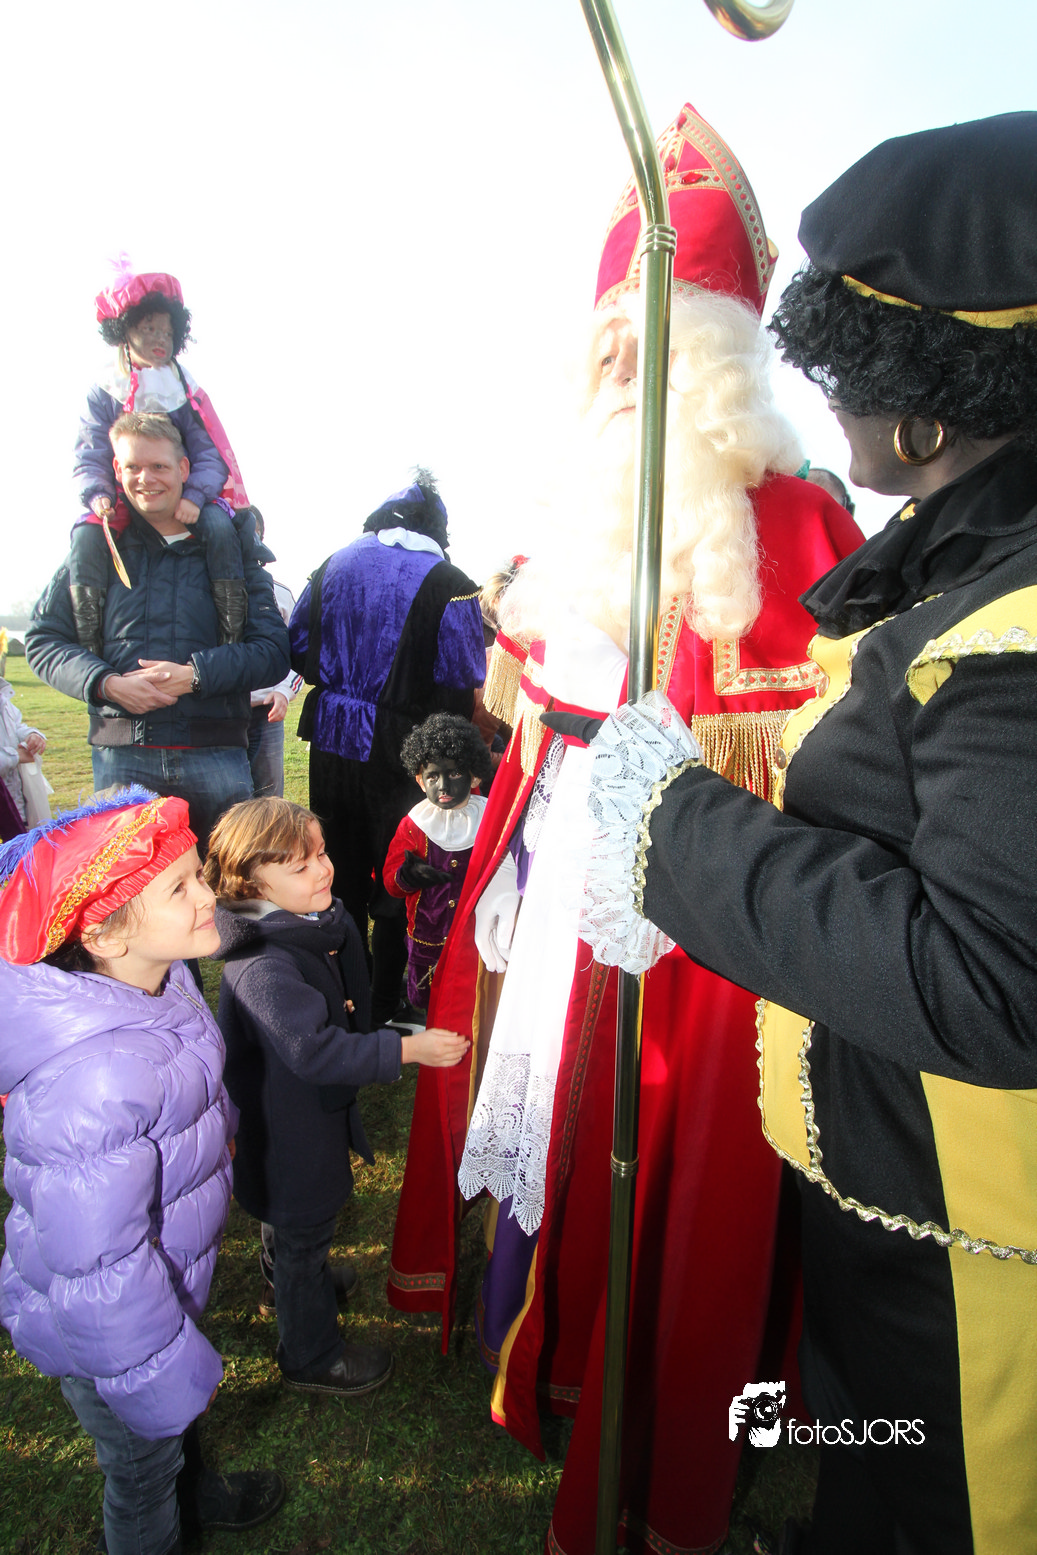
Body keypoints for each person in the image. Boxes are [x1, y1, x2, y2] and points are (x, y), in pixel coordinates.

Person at [388, 102, 863, 1555]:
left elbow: (817, 760)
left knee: (683, 1170)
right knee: (563, 1114)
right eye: (601, 335)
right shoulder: (575, 508)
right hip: (564, 894)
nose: (613, 361)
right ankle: (546, 1351)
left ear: (715, 355)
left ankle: (666, 1435)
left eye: (644, 334)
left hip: (707, 928)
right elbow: (535, 703)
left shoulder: (795, 524)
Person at [578, 110, 1037, 1555]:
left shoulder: (1016, 628)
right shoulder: (960, 559)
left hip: (971, 1226)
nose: (824, 404)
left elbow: (990, 979)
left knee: (946, 1487)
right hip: (887, 1184)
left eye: (848, 369)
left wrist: (674, 824)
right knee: (860, 1436)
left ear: (931, 400)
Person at [0, 787, 285, 1554]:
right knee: (141, 1472)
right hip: (114, 1339)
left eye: (199, 875)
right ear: (102, 933)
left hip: (163, 1285)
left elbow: (185, 1088)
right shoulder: (97, 1080)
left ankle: (197, 1485)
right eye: (180, 887)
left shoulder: (158, 979)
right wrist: (157, 1374)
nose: (208, 896)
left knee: (173, 1436)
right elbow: (103, 1274)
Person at [206, 797, 470, 1398]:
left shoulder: (307, 921)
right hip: (287, 1132)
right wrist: (406, 1048)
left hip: (300, 1117)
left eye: (321, 853)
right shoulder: (264, 966)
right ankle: (310, 1352)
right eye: (301, 866)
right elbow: (314, 1050)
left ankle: (288, 1278)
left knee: (290, 1226)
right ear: (254, 883)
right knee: (301, 1229)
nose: (323, 869)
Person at [27, 412, 289, 852]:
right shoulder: (95, 548)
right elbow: (43, 641)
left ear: (184, 469)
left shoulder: (234, 549)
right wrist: (106, 684)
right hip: (122, 760)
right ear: (116, 469)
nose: (146, 479)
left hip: (217, 757)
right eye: (133, 466)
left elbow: (273, 652)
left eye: (159, 466)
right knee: (130, 888)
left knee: (223, 882)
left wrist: (196, 676)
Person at [289, 470, 485, 1024]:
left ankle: (346, 990)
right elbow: (461, 676)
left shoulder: (333, 564)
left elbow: (297, 643)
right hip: (406, 747)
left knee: (337, 861)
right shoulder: (451, 582)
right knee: (401, 864)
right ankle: (385, 999)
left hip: (332, 736)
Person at [72, 264, 250, 652]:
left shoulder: (182, 388)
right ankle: (89, 644)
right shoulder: (104, 389)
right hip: (122, 496)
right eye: (149, 329)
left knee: (221, 529)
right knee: (86, 536)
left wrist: (196, 496)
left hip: (185, 496)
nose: (160, 339)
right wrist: (98, 494)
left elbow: (209, 452)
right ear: (125, 332)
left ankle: (232, 634)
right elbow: (90, 452)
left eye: (167, 332)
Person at [384, 713, 493, 1010]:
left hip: (476, 935)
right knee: (430, 1002)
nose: (443, 786)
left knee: (473, 1003)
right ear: (420, 781)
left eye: (454, 774)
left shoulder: (489, 819)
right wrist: (407, 876)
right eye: (433, 777)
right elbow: (391, 880)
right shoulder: (414, 825)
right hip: (427, 939)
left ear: (474, 777)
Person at [248, 579, 303, 798]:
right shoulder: (202, 584)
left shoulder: (279, 593)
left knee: (268, 795)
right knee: (228, 797)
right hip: (217, 713)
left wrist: (283, 691)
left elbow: (298, 651)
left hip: (265, 713)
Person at [0, 677, 46, 840]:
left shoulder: (3, 694)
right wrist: (15, 756)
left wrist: (31, 735)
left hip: (16, 802)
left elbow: (14, 726)